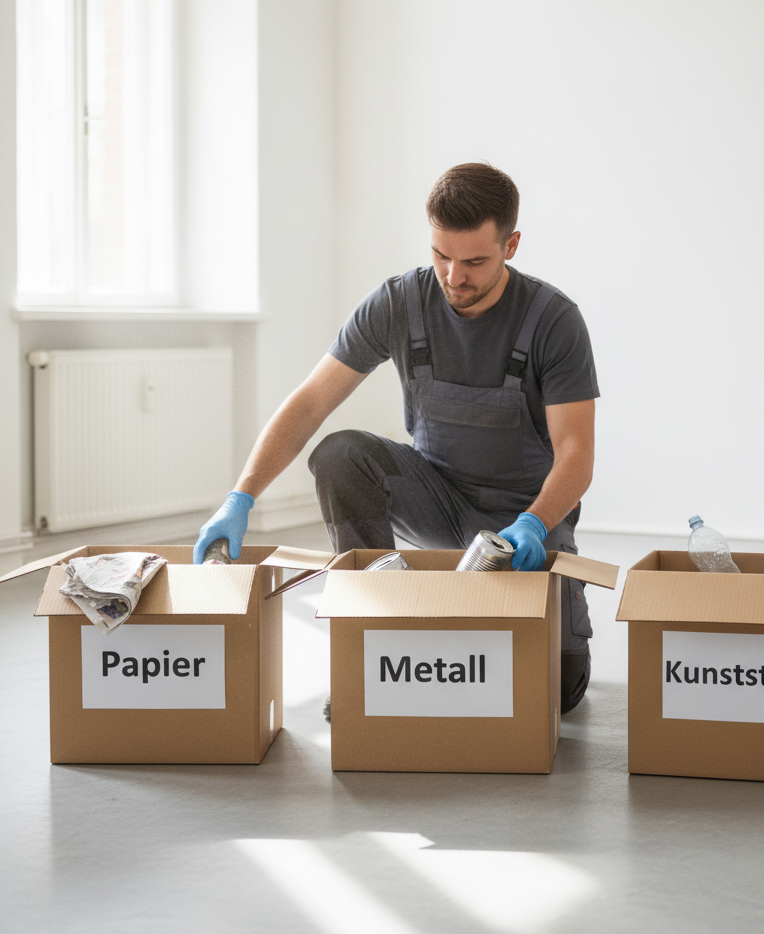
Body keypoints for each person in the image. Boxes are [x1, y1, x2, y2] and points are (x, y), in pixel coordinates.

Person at [194, 163, 600, 712]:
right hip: (437, 499)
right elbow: (311, 401)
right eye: (441, 255)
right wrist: (240, 496)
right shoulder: (400, 303)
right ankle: (372, 638)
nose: (454, 276)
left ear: (512, 245)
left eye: (475, 261)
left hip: (524, 526)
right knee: (340, 455)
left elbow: (576, 453)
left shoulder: (553, 320)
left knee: (555, 691)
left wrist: (534, 522)